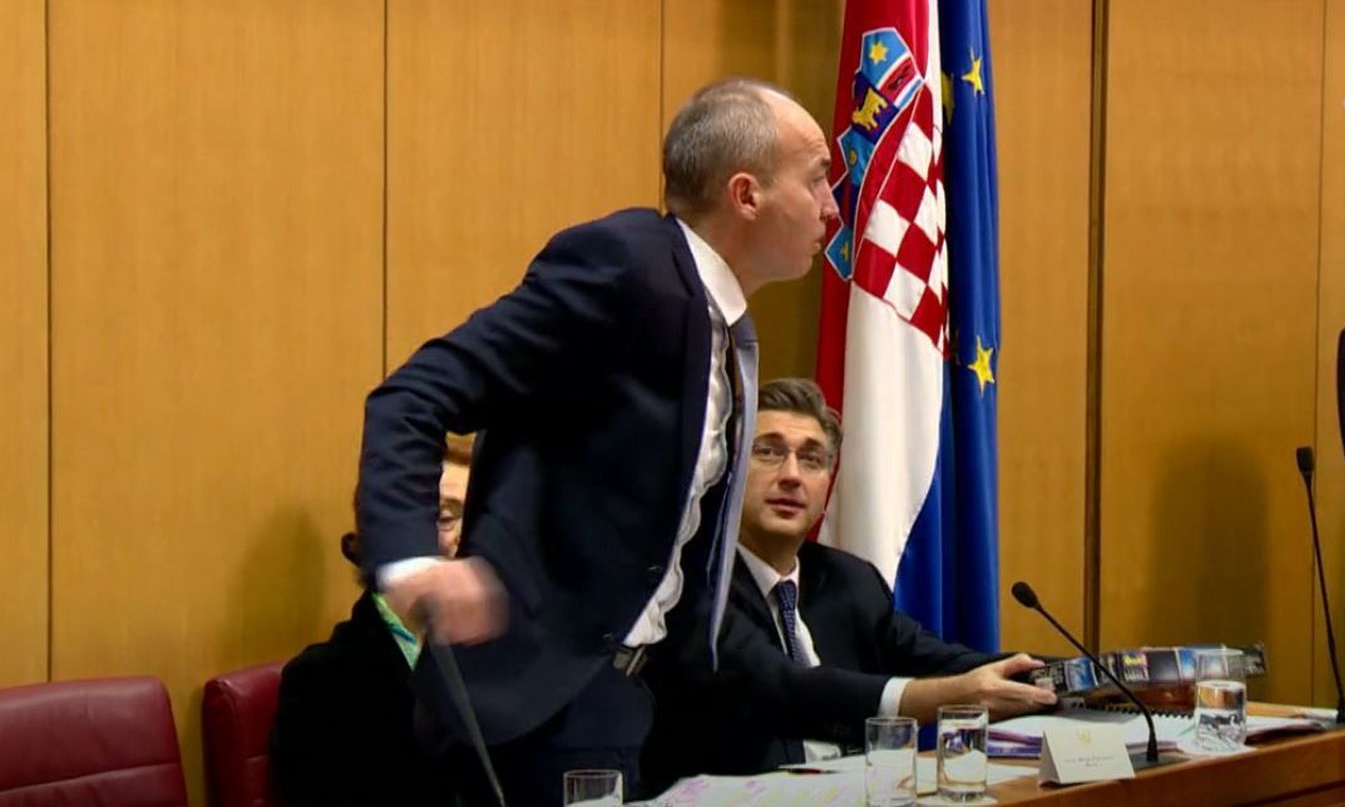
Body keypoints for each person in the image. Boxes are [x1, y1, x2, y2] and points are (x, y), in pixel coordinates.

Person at [355, 78, 838, 804]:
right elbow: (415, 394)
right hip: (538, 707)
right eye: (817, 178)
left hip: (635, 703)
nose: (833, 207)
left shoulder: (721, 322)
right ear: (746, 195)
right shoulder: (627, 265)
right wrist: (412, 557)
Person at [643, 379, 1056, 784]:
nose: (792, 475)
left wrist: (1071, 674)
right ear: (725, 472)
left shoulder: (848, 579)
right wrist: (954, 697)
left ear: (828, 484)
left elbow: (941, 660)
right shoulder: (684, 583)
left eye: (812, 459)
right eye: (767, 452)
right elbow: (782, 688)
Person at [271, 436, 473, 807]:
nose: (468, 537)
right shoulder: (321, 681)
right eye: (446, 517)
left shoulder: (505, 655)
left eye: (478, 517)